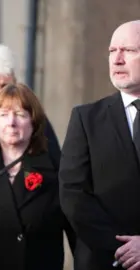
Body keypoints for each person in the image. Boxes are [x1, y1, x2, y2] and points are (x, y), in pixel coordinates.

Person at [0, 83, 75, 270]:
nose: (11, 122)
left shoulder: (57, 171)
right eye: (4, 115)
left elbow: (77, 234)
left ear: (34, 122)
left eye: (20, 114)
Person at [60, 20, 140, 270]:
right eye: (111, 51)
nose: (117, 59)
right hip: (106, 260)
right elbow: (73, 193)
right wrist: (123, 249)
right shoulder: (86, 119)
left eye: (128, 50)